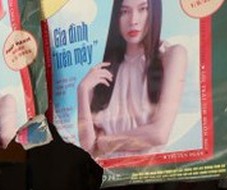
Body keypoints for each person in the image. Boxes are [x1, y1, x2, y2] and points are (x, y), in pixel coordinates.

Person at [76, 0, 187, 156]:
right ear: (116, 16)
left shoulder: (171, 55)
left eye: (142, 9)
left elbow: (159, 134)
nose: (133, 20)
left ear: (154, 11)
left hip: (150, 175)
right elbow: (88, 148)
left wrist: (106, 142)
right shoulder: (102, 73)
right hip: (106, 176)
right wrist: (82, 90)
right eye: (124, 12)